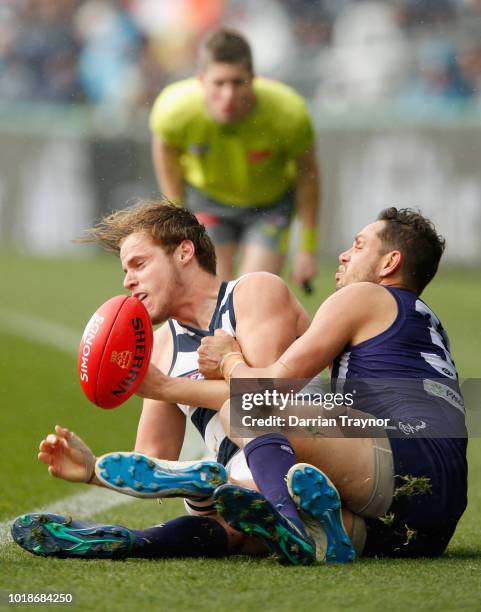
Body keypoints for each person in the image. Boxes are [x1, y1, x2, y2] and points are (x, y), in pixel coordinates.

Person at [13, 199, 340, 566]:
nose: (127, 281)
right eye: (125, 270)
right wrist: (93, 470)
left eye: (139, 264)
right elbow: (153, 460)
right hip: (241, 482)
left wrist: (167, 387)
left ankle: (207, 490)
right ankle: (136, 540)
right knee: (233, 527)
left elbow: (264, 397)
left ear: (184, 251)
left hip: (313, 450)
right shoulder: (160, 346)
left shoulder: (253, 292)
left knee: (235, 463)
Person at [196, 207, 468, 559]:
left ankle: (273, 510)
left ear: (390, 263)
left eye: (358, 246)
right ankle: (143, 538)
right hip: (432, 523)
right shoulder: (424, 322)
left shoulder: (363, 296)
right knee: (247, 527)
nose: (343, 254)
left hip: (404, 456)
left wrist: (228, 359)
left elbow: (269, 387)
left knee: (243, 411)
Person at [149, 27, 321, 287]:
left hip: (269, 206)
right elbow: (166, 154)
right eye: (219, 83)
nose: (228, 95)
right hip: (208, 201)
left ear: (253, 78)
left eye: (237, 83)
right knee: (215, 293)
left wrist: (306, 249)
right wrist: (177, 221)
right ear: (201, 79)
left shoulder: (289, 113)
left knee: (252, 290)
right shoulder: (175, 110)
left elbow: (308, 178)